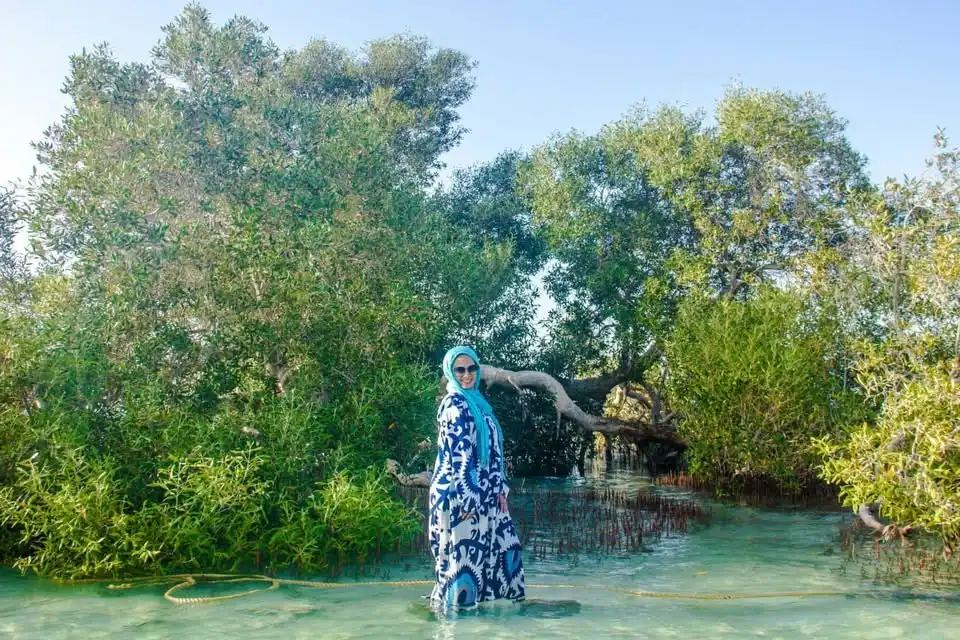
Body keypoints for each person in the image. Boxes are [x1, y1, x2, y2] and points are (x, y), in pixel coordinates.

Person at [428, 346, 526, 610]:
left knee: (507, 548)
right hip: (459, 496)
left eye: (472, 368)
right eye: (460, 370)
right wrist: (468, 503)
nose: (467, 375)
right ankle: (456, 623)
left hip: (485, 493)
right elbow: (460, 458)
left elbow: (493, 451)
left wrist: (499, 490)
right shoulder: (454, 405)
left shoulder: (480, 404)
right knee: (463, 567)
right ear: (451, 372)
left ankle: (494, 618)